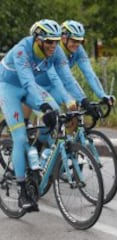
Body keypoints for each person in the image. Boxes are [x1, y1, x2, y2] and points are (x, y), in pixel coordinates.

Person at [0, 19, 63, 211]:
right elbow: (27, 81)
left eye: (56, 41)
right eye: (50, 41)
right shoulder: (21, 50)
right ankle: (22, 191)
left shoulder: (51, 53)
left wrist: (73, 101)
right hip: (9, 88)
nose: (54, 45)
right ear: (38, 40)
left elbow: (62, 77)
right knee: (19, 138)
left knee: (56, 113)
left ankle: (36, 158)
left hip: (29, 87)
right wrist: (43, 107)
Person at [59, 20, 115, 106]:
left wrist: (102, 95)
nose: (77, 44)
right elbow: (66, 78)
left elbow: (89, 73)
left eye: (79, 41)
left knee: (75, 106)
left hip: (64, 79)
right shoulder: (55, 49)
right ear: (64, 39)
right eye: (74, 41)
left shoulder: (79, 50)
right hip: (44, 80)